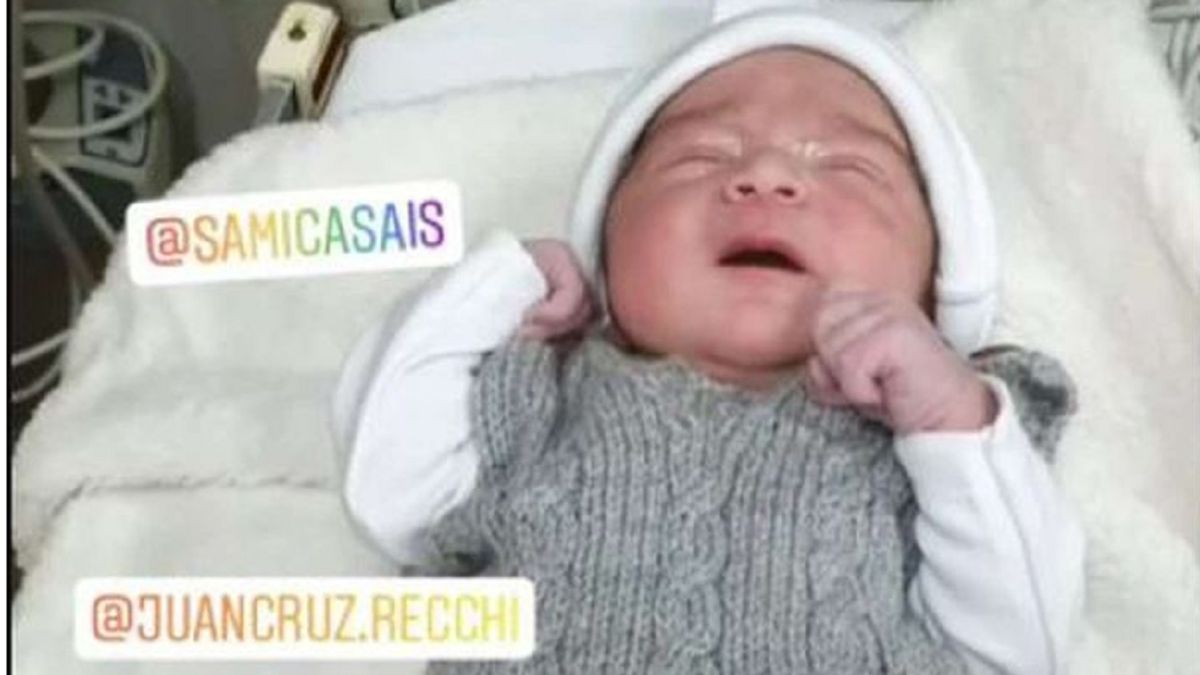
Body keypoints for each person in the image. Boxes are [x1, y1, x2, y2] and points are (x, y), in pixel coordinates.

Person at [332, 9, 1084, 675]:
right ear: (608, 250)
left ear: (937, 278)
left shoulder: (931, 449)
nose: (766, 175)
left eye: (846, 164)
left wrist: (953, 423)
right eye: (701, 156)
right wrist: (505, 285)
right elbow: (389, 491)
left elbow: (1013, 649)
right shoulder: (543, 400)